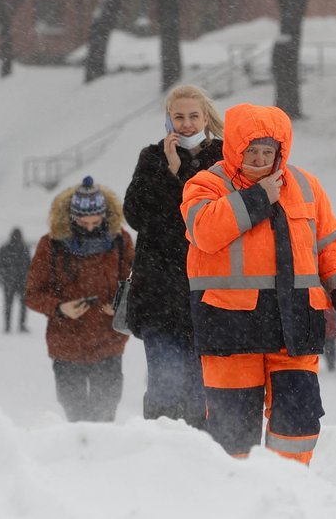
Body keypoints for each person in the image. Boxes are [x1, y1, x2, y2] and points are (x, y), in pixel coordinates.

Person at [180, 103, 336, 464]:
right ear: (234, 148)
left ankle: (288, 491)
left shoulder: (306, 186)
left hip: (294, 328)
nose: (259, 158)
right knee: (232, 432)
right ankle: (235, 498)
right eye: (251, 151)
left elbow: (332, 250)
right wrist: (258, 196)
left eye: (269, 151)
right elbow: (204, 231)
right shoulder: (206, 184)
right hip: (230, 330)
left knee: (299, 421)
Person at [123, 84, 224, 429]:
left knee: (200, 396)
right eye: (178, 116)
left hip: (208, 295)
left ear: (206, 118)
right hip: (158, 295)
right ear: (168, 120)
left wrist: (184, 176)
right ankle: (156, 457)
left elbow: (214, 217)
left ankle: (198, 461)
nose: (186, 123)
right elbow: (135, 215)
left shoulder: (223, 159)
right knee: (165, 389)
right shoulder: (151, 158)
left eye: (193, 116)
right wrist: (170, 170)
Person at [25, 176, 134, 422]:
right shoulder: (51, 244)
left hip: (109, 342)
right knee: (74, 413)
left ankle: (103, 458)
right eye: (83, 222)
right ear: (71, 217)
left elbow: (134, 285)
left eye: (96, 222)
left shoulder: (120, 241)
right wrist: (59, 308)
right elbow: (33, 294)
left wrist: (118, 307)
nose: (89, 227)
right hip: (66, 344)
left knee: (105, 412)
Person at [0, 227, 31, 333]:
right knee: (22, 304)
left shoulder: (5, 248)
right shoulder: (24, 248)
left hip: (9, 280)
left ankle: (8, 326)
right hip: (21, 281)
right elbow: (30, 265)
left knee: (8, 304)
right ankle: (21, 325)